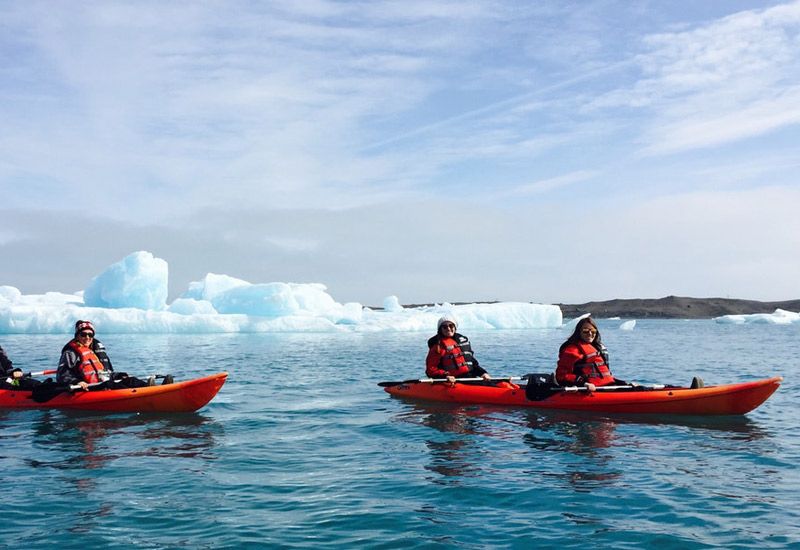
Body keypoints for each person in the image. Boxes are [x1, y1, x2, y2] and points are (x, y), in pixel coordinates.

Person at [57, 320, 169, 391]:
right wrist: (77, 382)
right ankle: (149, 392)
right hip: (89, 387)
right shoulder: (70, 353)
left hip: (103, 382)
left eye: (90, 335)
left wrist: (118, 375)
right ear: (77, 336)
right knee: (115, 385)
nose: (87, 337)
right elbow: (62, 374)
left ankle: (156, 389)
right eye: (83, 334)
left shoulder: (94, 351)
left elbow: (105, 372)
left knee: (130, 380)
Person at [556, 317, 626, 392]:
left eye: (593, 331)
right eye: (585, 331)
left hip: (604, 387)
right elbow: (561, 376)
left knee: (633, 388)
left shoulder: (597, 348)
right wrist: (584, 384)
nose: (590, 334)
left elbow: (605, 376)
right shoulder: (572, 350)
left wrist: (623, 383)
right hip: (585, 389)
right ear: (579, 332)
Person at [426, 315, 491, 384]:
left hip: (470, 377)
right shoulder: (437, 346)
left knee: (496, 384)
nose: (448, 328)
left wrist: (483, 373)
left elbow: (472, 363)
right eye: (444, 327)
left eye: (451, 326)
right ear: (440, 329)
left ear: (455, 327)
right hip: (454, 380)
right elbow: (431, 369)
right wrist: (445, 376)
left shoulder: (462, 341)